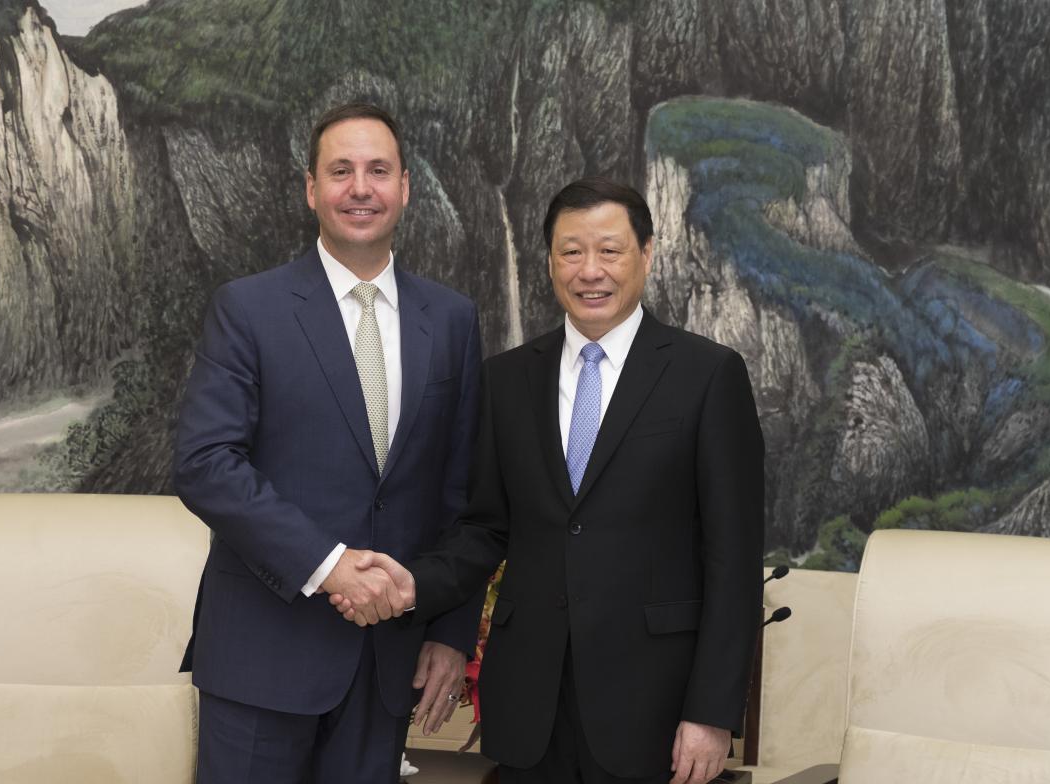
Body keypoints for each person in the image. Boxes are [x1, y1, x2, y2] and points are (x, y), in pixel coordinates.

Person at [335, 177, 765, 784]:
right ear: (549, 262)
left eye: (610, 251)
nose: (591, 271)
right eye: (571, 251)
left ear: (646, 255)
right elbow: (484, 527)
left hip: (656, 711)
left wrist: (712, 713)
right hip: (530, 709)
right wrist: (411, 588)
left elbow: (734, 559)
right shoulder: (507, 379)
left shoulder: (708, 375)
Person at [173, 102, 484, 784]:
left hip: (386, 664)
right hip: (263, 654)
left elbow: (461, 496)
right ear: (311, 190)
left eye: (378, 170)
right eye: (340, 171)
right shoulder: (247, 308)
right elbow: (205, 462)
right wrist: (328, 564)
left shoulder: (453, 320)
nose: (360, 187)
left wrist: (448, 630)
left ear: (406, 187)